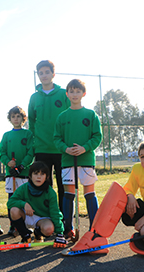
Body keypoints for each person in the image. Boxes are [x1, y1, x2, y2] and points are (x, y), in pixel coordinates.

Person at [70, 139, 144, 256]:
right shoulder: (138, 169)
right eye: (142, 156)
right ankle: (97, 236)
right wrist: (130, 196)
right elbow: (128, 187)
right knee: (123, 202)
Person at [53, 79, 102, 240]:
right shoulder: (62, 117)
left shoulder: (91, 114)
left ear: (83, 93)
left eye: (78, 91)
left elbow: (97, 136)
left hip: (86, 159)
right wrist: (66, 149)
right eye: (71, 91)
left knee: (89, 193)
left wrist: (84, 148)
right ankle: (68, 228)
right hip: (68, 161)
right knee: (69, 194)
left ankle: (94, 228)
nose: (74, 94)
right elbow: (56, 138)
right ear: (67, 94)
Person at [28, 60, 70, 211]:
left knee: (63, 185)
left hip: (61, 148)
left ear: (53, 74)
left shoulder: (63, 94)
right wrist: (34, 142)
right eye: (41, 73)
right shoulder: (34, 97)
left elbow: (69, 117)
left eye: (47, 72)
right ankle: (46, 216)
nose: (44, 75)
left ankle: (65, 219)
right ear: (38, 75)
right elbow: (32, 122)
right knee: (44, 185)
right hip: (42, 148)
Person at [7, 162, 66, 246]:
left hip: (42, 219)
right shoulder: (24, 188)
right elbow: (10, 202)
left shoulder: (50, 192)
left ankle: (38, 233)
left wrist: (60, 234)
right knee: (14, 210)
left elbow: (55, 213)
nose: (39, 177)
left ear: (47, 177)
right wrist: (24, 204)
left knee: (49, 229)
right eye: (35, 174)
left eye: (42, 174)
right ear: (30, 176)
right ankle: (25, 236)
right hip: (26, 215)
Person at [0, 106, 34, 236]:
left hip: (24, 174)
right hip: (11, 174)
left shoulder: (28, 134)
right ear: (10, 119)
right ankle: (13, 225)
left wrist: (22, 166)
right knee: (12, 199)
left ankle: (26, 225)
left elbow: (30, 152)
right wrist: (8, 162)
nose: (16, 119)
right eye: (13, 116)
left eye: (18, 116)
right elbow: (1, 152)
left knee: (25, 198)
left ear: (23, 119)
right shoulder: (7, 135)